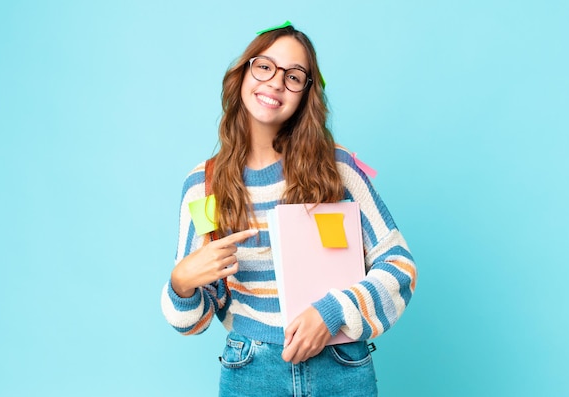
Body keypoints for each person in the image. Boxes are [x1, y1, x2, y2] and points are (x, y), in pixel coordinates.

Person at [161, 21, 417, 397]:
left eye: (294, 76)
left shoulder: (338, 168)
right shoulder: (205, 187)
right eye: (265, 67)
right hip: (250, 370)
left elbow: (399, 266)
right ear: (243, 72)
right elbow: (192, 320)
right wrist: (182, 282)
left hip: (342, 364)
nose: (276, 82)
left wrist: (330, 314)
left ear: (306, 94)